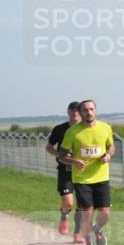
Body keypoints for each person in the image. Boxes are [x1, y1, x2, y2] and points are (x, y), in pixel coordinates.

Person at [59, 100, 115, 245]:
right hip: (82, 179)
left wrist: (108, 155)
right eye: (85, 110)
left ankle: (97, 229)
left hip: (102, 177)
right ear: (80, 112)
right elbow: (62, 155)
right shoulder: (72, 132)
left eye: (91, 109)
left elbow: (111, 146)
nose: (89, 112)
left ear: (95, 111)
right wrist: (74, 161)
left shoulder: (105, 127)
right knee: (86, 214)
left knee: (105, 213)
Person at [45, 101, 81, 238]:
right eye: (73, 110)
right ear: (68, 111)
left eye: (78, 110)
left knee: (83, 204)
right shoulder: (60, 129)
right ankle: (64, 216)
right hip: (65, 170)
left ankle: (77, 233)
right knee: (68, 202)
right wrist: (60, 155)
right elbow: (49, 148)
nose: (75, 112)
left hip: (83, 171)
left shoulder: (86, 129)